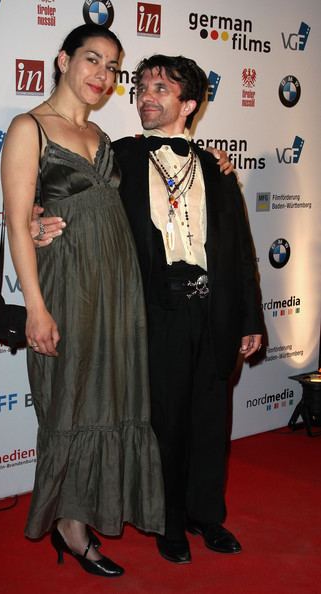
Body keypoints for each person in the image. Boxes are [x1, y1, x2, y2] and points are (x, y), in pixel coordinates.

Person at [0, 24, 165, 578]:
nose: (102, 74)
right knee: (69, 399)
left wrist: (215, 162)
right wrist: (37, 308)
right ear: (64, 58)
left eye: (112, 67)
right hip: (66, 285)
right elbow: (18, 226)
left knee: (109, 397)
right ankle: (70, 528)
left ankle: (92, 505)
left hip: (118, 286)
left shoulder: (101, 136)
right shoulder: (30, 128)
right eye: (93, 59)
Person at [111, 55, 264, 564]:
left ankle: (207, 516)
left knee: (209, 423)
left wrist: (249, 321)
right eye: (142, 87)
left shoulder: (217, 170)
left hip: (213, 311)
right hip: (158, 312)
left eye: (160, 88)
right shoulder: (120, 159)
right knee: (165, 425)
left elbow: (240, 250)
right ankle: (168, 522)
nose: (146, 96)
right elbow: (76, 205)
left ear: (189, 104)